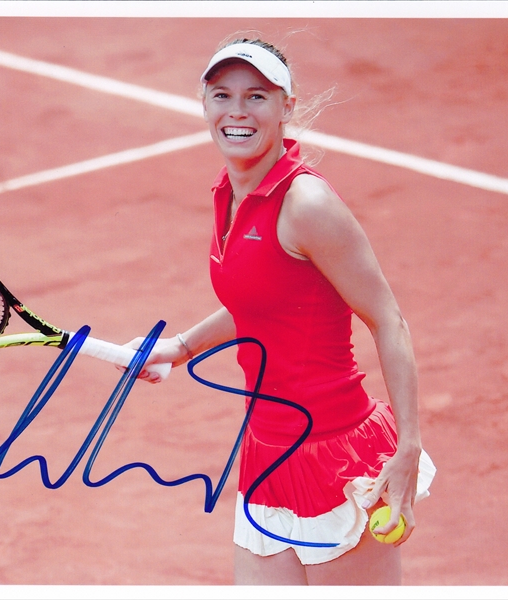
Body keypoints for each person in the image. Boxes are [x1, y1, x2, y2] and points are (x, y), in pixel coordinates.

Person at [126, 37, 436, 585]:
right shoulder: (229, 194)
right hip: (267, 453)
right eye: (222, 95)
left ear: (286, 107)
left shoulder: (307, 205)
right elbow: (265, 302)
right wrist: (181, 347)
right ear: (205, 104)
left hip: (335, 456)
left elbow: (389, 320)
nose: (237, 111)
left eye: (257, 96)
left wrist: (408, 449)